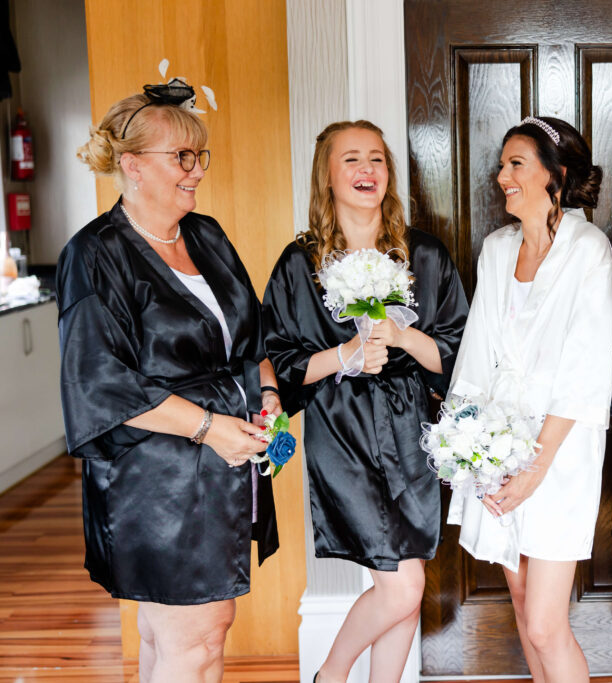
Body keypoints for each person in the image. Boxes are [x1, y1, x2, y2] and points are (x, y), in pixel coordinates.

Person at [57, 82, 281, 682]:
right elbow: (101, 381)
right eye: (181, 157)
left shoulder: (206, 234)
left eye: (199, 157)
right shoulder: (95, 255)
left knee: (175, 634)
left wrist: (269, 397)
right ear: (131, 164)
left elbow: (253, 336)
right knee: (197, 638)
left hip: (222, 462)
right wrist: (210, 429)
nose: (195, 172)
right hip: (155, 477)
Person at [262, 120, 468, 682]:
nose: (366, 170)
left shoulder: (423, 254)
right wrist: (346, 354)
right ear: (326, 176)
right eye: (351, 159)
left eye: (377, 159)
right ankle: (331, 673)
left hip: (410, 429)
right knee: (402, 585)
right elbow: (278, 361)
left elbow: (459, 351)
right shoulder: (299, 264)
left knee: (402, 579)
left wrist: (401, 337)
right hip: (342, 428)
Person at [446, 116, 612, 681]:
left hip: (560, 452)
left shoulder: (589, 250)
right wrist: (468, 445)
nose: (501, 176)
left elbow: (586, 368)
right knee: (522, 607)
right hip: (497, 448)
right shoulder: (497, 250)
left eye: (515, 164)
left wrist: (536, 466)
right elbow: (475, 353)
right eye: (502, 165)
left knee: (546, 623)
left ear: (557, 174)